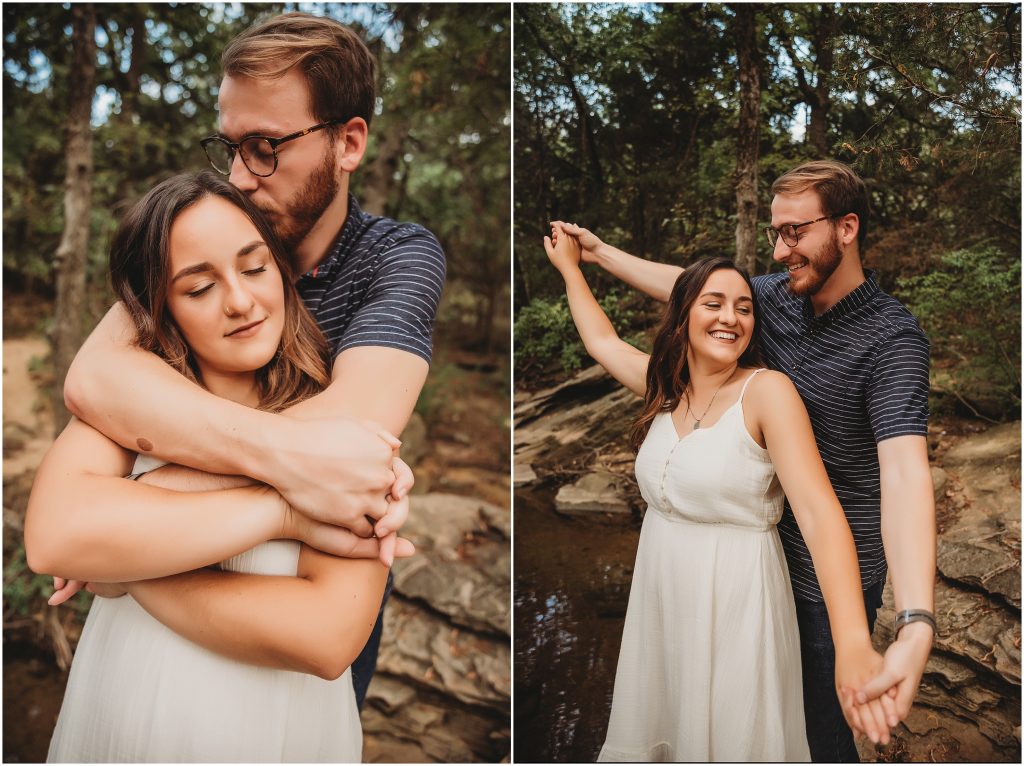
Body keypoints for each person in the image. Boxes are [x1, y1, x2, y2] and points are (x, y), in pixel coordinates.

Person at [61, 12, 446, 709]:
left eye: (266, 146)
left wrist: (113, 542)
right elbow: (93, 378)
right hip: (157, 644)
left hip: (303, 602)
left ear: (348, 141)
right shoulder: (201, 231)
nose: (240, 176)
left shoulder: (395, 257)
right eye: (230, 146)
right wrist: (287, 497)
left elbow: (349, 447)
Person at [551, 159, 936, 761]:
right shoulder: (776, 298)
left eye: (794, 233)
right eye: (775, 234)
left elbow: (906, 474)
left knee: (816, 735)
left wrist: (916, 619)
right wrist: (600, 256)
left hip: (825, 575)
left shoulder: (892, 339)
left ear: (846, 227)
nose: (781, 250)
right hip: (747, 547)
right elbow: (693, 290)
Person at [27, 172, 414, 761]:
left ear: (281, 272)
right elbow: (55, 539)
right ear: (157, 308)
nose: (239, 301)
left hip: (274, 732)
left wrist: (126, 569)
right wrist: (281, 509)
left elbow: (326, 637)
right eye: (199, 287)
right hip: (124, 711)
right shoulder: (127, 414)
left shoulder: (343, 422)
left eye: (254, 268)